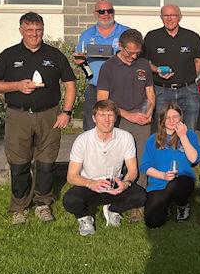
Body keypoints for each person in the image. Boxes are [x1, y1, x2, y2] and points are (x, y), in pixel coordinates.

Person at [0, 12, 77, 225]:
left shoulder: (55, 55)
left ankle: (43, 203)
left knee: (46, 162)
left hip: (49, 115)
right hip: (18, 115)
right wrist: (17, 86)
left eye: (38, 30)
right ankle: (19, 206)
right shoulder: (8, 55)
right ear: (21, 31)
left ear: (43, 30)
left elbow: (70, 84)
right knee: (19, 163)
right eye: (29, 30)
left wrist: (66, 112)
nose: (34, 34)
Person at [62, 100, 147, 236]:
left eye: (110, 115)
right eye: (102, 115)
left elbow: (132, 170)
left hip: (114, 184)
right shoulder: (82, 140)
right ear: (94, 118)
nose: (106, 120)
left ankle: (113, 210)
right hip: (90, 184)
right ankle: (84, 218)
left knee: (140, 196)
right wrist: (91, 183)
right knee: (70, 200)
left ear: (115, 117)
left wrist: (125, 183)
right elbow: (71, 176)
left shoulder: (125, 137)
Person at [96, 28, 155, 172]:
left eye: (137, 52)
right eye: (130, 52)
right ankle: (115, 190)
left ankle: (140, 191)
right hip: (117, 117)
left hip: (140, 116)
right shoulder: (108, 67)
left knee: (141, 158)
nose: (134, 56)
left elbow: (150, 92)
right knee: (116, 158)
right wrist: (128, 115)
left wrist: (149, 112)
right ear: (120, 46)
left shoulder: (144, 64)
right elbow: (102, 100)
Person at [142, 4, 200, 131]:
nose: (169, 19)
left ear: (180, 17)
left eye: (173, 15)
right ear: (161, 17)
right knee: (162, 130)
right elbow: (143, 62)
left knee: (189, 130)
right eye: (166, 15)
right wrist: (156, 70)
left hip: (189, 91)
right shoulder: (151, 37)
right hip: (161, 91)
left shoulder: (192, 37)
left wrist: (189, 77)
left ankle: (187, 151)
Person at [141, 103, 200, 228]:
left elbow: (194, 159)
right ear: (162, 120)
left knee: (176, 184)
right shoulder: (153, 139)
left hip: (182, 181)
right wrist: (162, 175)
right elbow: (145, 166)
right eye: (167, 117)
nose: (171, 120)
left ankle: (182, 205)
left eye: (175, 116)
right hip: (159, 183)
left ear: (181, 118)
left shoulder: (189, 135)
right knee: (152, 222)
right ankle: (165, 204)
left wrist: (183, 136)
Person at [73, 0, 129, 131]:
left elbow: (137, 56)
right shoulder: (86, 35)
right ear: (95, 13)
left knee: (121, 126)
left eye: (109, 11)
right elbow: (79, 58)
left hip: (121, 88)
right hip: (95, 87)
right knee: (92, 126)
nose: (106, 14)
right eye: (101, 11)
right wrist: (79, 61)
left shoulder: (126, 33)